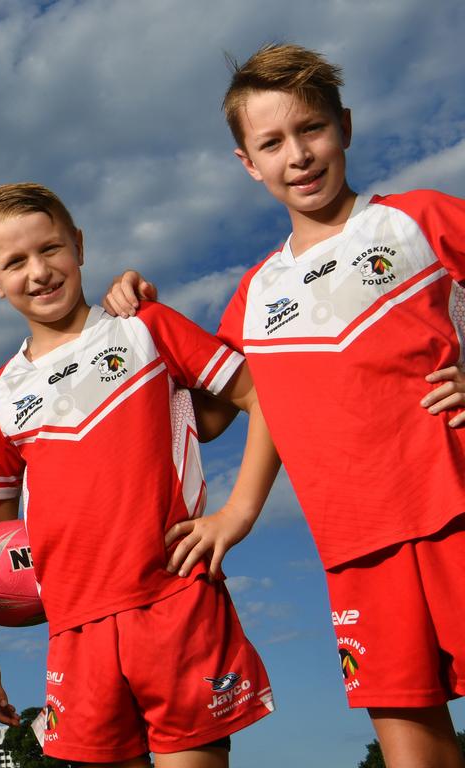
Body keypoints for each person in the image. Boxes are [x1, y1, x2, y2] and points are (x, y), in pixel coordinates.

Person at [106, 43, 465, 768]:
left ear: (346, 128)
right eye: (272, 143)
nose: (298, 155)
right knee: (413, 748)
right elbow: (211, 415)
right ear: (248, 162)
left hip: (456, 506)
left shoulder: (420, 219)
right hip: (355, 546)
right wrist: (145, 320)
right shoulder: (257, 293)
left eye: (312, 130)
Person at [0, 182, 279, 767]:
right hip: (74, 629)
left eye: (50, 248)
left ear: (79, 245)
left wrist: (237, 514)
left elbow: (263, 396)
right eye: (14, 262)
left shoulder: (144, 327)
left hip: (175, 601)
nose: (39, 271)